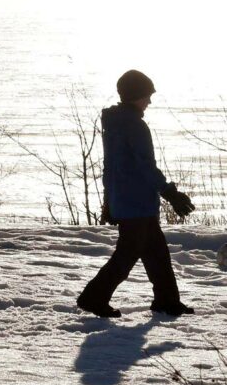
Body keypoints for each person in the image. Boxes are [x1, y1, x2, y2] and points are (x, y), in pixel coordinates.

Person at [77, 70, 195, 318]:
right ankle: (93, 297)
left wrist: (109, 202)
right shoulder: (135, 126)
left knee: (157, 253)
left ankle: (167, 300)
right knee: (127, 255)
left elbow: (110, 168)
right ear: (135, 96)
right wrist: (170, 192)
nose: (149, 102)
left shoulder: (115, 124)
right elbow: (145, 166)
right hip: (137, 204)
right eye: (147, 96)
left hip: (128, 202)